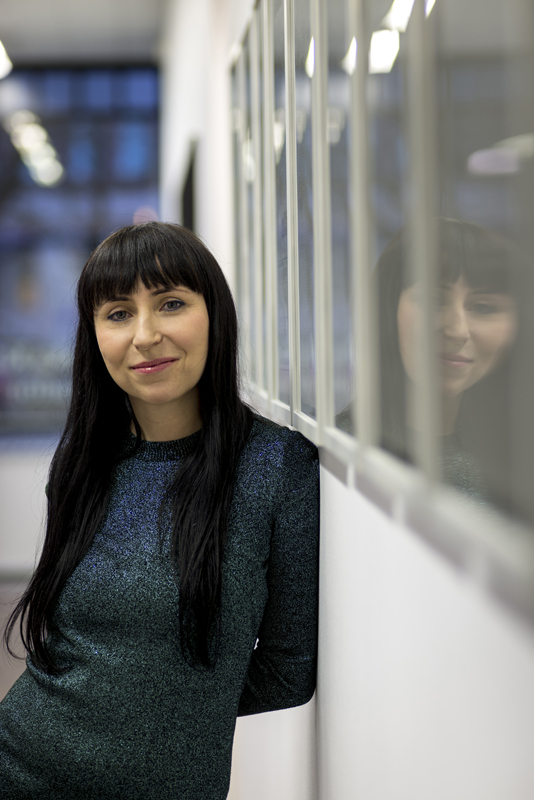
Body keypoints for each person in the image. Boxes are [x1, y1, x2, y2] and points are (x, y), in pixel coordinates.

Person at [0, 222, 319, 800]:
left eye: (171, 303)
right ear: (95, 334)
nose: (145, 336)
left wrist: (170, 713)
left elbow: (287, 672)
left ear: (214, 313)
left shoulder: (276, 466)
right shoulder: (82, 463)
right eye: (118, 313)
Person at [338, 218, 518, 500]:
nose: (457, 331)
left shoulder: (515, 456)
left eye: (483, 307)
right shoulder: (332, 451)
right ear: (386, 309)